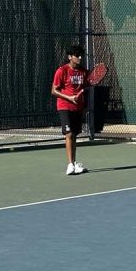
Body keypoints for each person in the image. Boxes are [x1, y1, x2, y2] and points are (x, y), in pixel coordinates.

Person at [52, 43, 90, 175]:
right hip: (64, 106)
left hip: (78, 108)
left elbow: (86, 89)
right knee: (68, 134)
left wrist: (85, 107)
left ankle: (74, 163)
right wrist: (69, 97)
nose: (79, 58)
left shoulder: (84, 72)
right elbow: (54, 91)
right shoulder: (61, 71)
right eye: (76, 56)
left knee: (74, 135)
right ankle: (69, 165)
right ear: (70, 57)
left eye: (81, 56)